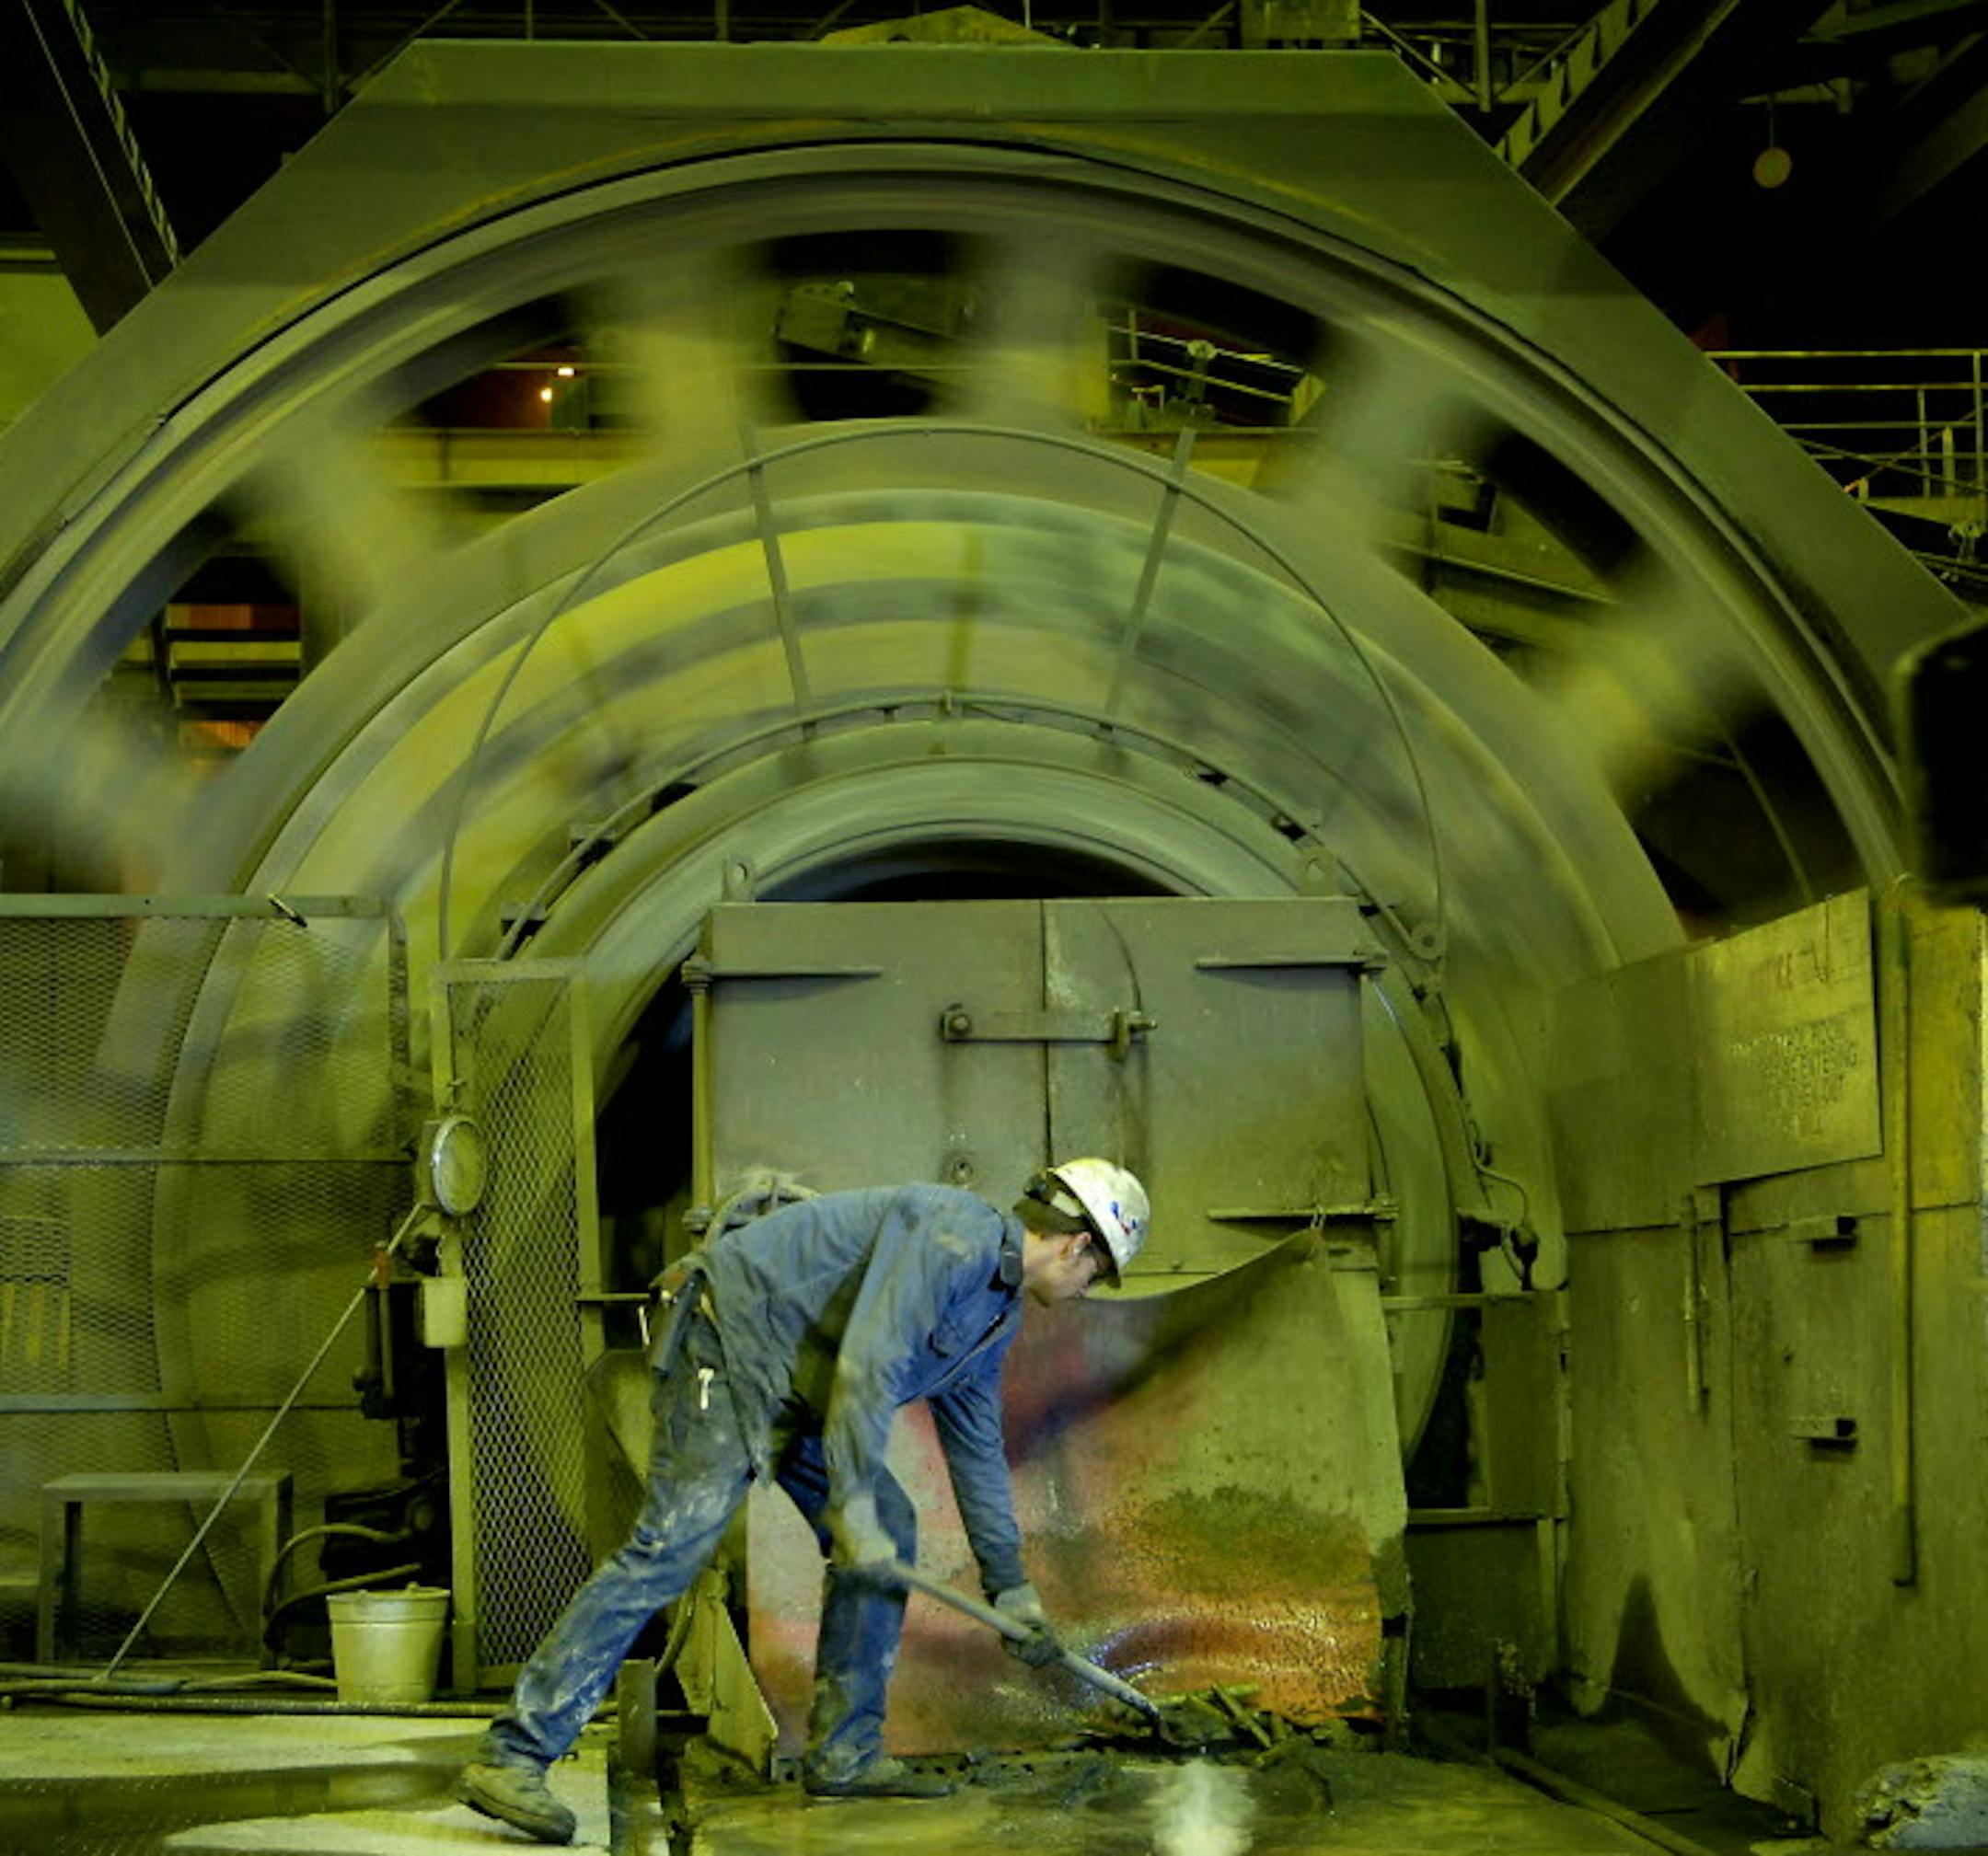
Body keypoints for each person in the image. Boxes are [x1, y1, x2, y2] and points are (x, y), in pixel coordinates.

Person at [457, 1158, 1150, 1845]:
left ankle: (844, 1752)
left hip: (797, 1390)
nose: (1088, 1288)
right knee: (673, 1546)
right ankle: (514, 1755)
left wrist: (1010, 1585)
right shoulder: (954, 1232)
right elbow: (868, 1364)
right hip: (727, 1345)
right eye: (1097, 1274)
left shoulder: (994, 1317)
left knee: (891, 1527)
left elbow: (975, 1446)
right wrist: (849, 1504)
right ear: (1078, 1243)